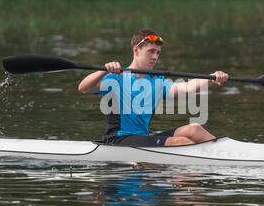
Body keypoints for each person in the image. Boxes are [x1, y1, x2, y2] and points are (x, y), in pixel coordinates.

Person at [78, 28, 228, 146]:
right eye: (151, 51)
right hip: (119, 140)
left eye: (158, 53)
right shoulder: (116, 78)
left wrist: (211, 78)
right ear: (136, 50)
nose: (155, 57)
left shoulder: (156, 82)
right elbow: (83, 88)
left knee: (194, 128)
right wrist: (103, 70)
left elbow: (187, 87)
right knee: (182, 143)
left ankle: (227, 153)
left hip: (142, 139)